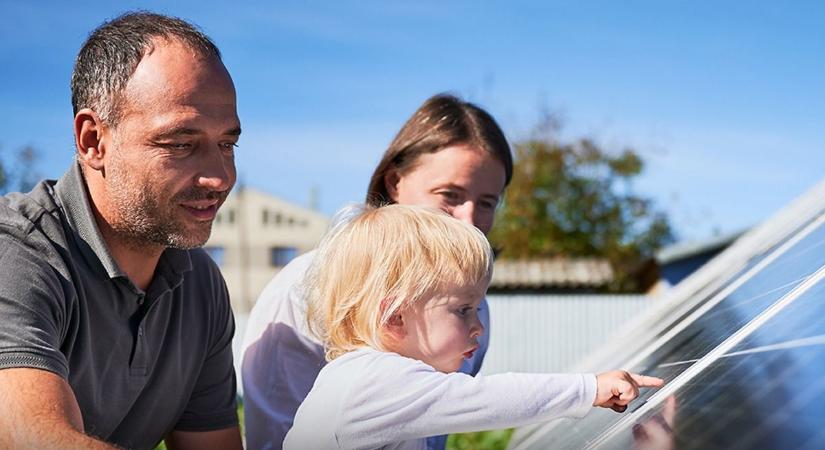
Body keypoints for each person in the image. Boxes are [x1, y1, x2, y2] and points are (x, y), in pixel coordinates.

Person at [0, 12, 243, 450]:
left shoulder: (200, 286)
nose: (219, 176)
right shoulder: (16, 252)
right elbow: (30, 439)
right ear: (93, 141)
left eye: (227, 144)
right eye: (181, 144)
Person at [241, 94, 513, 450]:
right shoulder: (309, 288)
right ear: (394, 183)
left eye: (487, 203)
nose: (469, 219)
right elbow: (276, 434)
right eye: (450, 194)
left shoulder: (472, 311)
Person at [283, 204, 664, 450]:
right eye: (463, 310)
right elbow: (490, 398)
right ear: (394, 317)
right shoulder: (374, 381)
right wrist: (589, 388)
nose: (478, 327)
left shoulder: (363, 379)